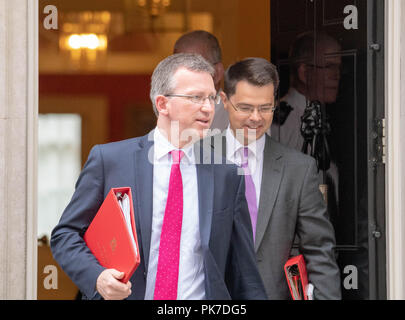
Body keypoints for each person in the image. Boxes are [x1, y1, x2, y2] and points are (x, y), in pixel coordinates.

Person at [50, 53, 267, 300]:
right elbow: (65, 235)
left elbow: (244, 273)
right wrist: (97, 277)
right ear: (162, 104)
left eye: (211, 98)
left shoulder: (227, 174)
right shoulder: (109, 161)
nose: (208, 108)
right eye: (196, 97)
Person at [213, 57, 341, 299]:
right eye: (246, 107)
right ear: (224, 102)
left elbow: (319, 249)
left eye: (265, 107)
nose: (256, 118)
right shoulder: (197, 158)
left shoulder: (299, 168)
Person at [271, 31, 342, 226]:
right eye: (329, 66)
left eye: (339, 67)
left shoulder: (324, 118)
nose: (337, 76)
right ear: (303, 72)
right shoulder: (282, 120)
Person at [174, 30, 229, 131]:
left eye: (193, 68)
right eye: (177, 68)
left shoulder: (235, 121)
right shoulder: (172, 115)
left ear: (217, 73)